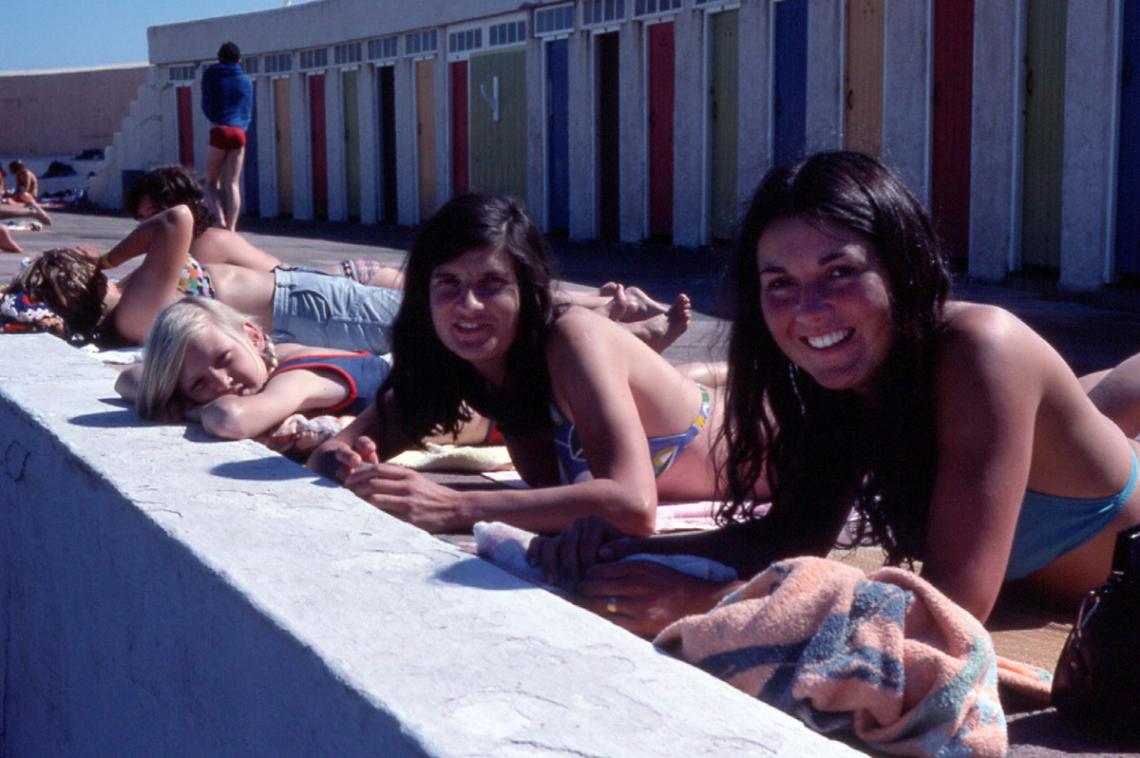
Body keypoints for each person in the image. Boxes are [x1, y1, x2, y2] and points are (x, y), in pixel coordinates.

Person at [529, 151, 1140, 634]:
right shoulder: (838, 378)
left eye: (840, 272)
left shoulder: (984, 349)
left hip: (1117, 521)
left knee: (1101, 404)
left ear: (900, 266)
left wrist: (720, 603)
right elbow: (787, 536)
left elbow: (951, 608)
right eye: (780, 284)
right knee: (1097, 405)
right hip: (1073, 460)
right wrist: (630, 550)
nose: (810, 311)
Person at [309, 193, 724, 537]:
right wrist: (352, 468)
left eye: (492, 284)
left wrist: (457, 506)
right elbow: (330, 451)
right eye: (448, 283)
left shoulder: (572, 340)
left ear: (527, 291)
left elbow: (632, 507)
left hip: (776, 434)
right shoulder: (458, 363)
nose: (467, 305)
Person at [114, 297, 490, 457]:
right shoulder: (268, 364)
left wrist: (188, 407)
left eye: (225, 358)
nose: (221, 383)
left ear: (255, 336)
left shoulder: (297, 376)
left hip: (477, 404)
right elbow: (128, 378)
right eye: (199, 384)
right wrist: (166, 392)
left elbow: (231, 420)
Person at [7, 204, 403, 350]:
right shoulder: (134, 312)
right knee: (427, 323)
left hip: (302, 300)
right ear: (86, 279)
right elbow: (177, 218)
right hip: (308, 310)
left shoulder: (133, 303)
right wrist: (109, 258)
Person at [200, 42, 254, 231]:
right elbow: (247, 109)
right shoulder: (246, 80)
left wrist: (214, 119)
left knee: (211, 182)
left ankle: (219, 220)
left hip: (220, 130)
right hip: (240, 133)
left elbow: (206, 103)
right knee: (233, 183)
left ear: (219, 57)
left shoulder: (211, 74)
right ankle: (231, 227)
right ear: (239, 60)